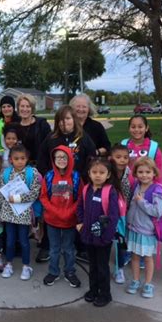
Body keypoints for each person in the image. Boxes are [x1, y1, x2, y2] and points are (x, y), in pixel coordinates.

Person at [37, 105, 96, 263]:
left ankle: (81, 247)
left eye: (68, 119)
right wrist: (47, 177)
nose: (64, 123)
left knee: (77, 214)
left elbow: (92, 158)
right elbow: (42, 160)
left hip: (77, 184)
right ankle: (47, 246)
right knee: (53, 214)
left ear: (74, 120)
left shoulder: (83, 137)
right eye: (61, 120)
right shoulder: (51, 138)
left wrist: (85, 178)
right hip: (55, 184)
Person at [76, 157, 120, 307]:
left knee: (102, 267)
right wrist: (81, 223)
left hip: (103, 239)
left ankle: (105, 294)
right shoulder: (87, 189)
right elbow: (80, 206)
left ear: (108, 175)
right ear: (89, 173)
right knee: (92, 265)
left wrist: (106, 237)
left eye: (102, 172)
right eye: (94, 172)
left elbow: (113, 217)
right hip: (88, 235)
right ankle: (93, 290)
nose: (98, 175)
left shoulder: (110, 192)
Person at [40, 145, 83, 288]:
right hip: (52, 220)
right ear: (53, 159)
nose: (61, 160)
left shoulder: (76, 177)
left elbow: (80, 199)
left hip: (70, 221)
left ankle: (70, 271)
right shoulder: (49, 176)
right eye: (58, 157)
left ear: (70, 158)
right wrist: (56, 212)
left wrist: (68, 212)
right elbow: (44, 197)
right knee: (54, 248)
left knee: (69, 248)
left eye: (64, 157)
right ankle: (53, 271)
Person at [0, 144, 41, 281]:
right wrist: (1, 211)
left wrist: (18, 198)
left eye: (22, 158)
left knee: (24, 241)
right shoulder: (6, 173)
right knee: (10, 241)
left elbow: (35, 192)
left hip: (23, 213)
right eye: (16, 158)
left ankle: (26, 266)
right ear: (11, 159)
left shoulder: (32, 173)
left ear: (27, 158)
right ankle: (9, 264)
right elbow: (2, 193)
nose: (19, 161)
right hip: (9, 214)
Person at [125, 157, 162, 299]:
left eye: (148, 172)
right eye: (140, 172)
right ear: (135, 173)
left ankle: (148, 283)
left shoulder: (157, 190)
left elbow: (157, 212)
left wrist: (142, 202)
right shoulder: (136, 185)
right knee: (134, 257)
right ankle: (135, 281)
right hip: (134, 228)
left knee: (147, 258)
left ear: (154, 173)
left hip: (147, 231)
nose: (144, 175)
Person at [109, 143, 134, 284]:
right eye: (118, 157)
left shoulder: (129, 175)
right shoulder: (106, 173)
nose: (122, 160)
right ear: (111, 158)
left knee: (121, 242)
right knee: (106, 240)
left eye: (125, 157)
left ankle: (119, 268)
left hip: (124, 213)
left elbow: (131, 193)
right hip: (108, 213)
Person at [122, 115, 162, 183]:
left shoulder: (153, 149)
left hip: (146, 188)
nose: (136, 129)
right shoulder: (123, 145)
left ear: (146, 128)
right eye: (133, 127)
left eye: (140, 127)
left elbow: (159, 174)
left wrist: (156, 189)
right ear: (129, 128)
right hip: (125, 187)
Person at [17, 94, 51, 166]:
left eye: (28, 106)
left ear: (32, 108)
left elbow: (49, 146)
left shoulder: (42, 125)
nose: (25, 109)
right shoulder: (15, 126)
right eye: (22, 106)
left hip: (38, 166)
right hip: (19, 166)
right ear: (18, 108)